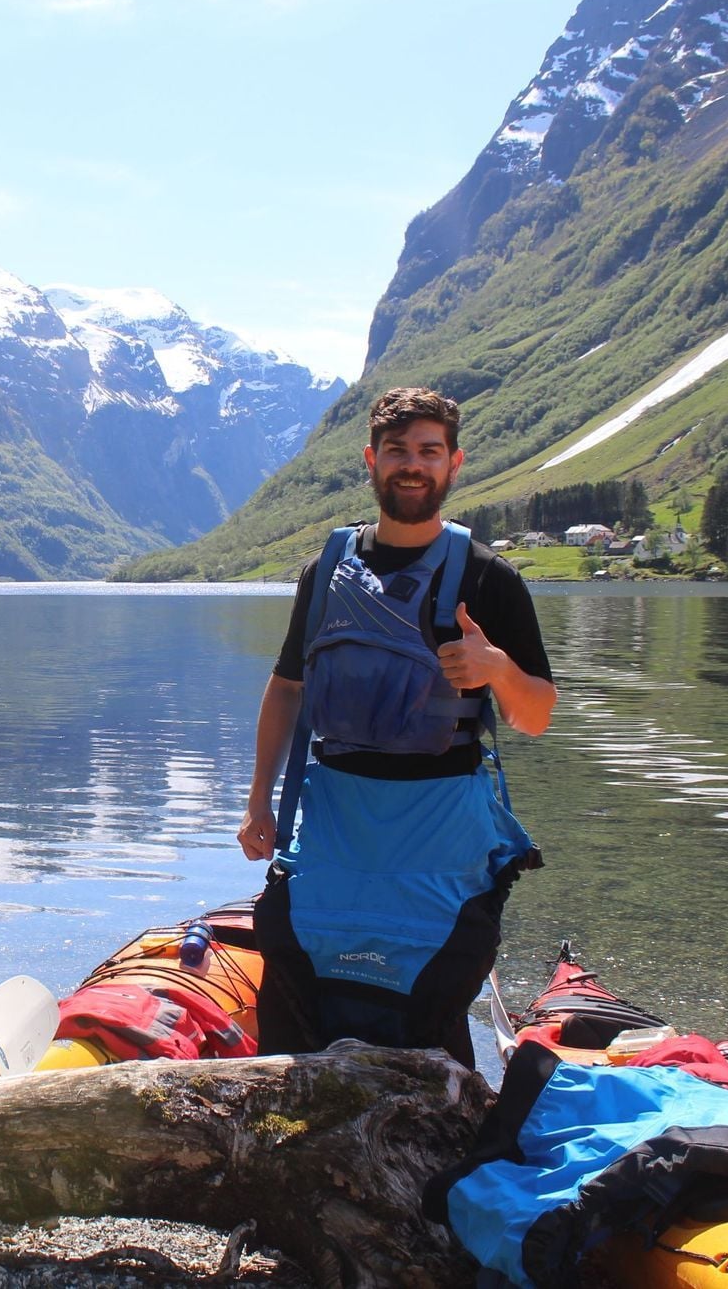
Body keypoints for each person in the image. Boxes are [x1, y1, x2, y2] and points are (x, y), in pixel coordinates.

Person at [237, 387, 555, 1068]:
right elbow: (287, 686)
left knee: (430, 995)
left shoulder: (490, 579)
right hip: (336, 817)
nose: (413, 465)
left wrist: (496, 665)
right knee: (289, 952)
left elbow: (536, 715)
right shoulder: (324, 571)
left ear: (455, 463)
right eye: (398, 451)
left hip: (442, 825)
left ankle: (436, 1133)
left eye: (428, 452)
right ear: (371, 460)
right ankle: (289, 1131)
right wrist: (259, 797)